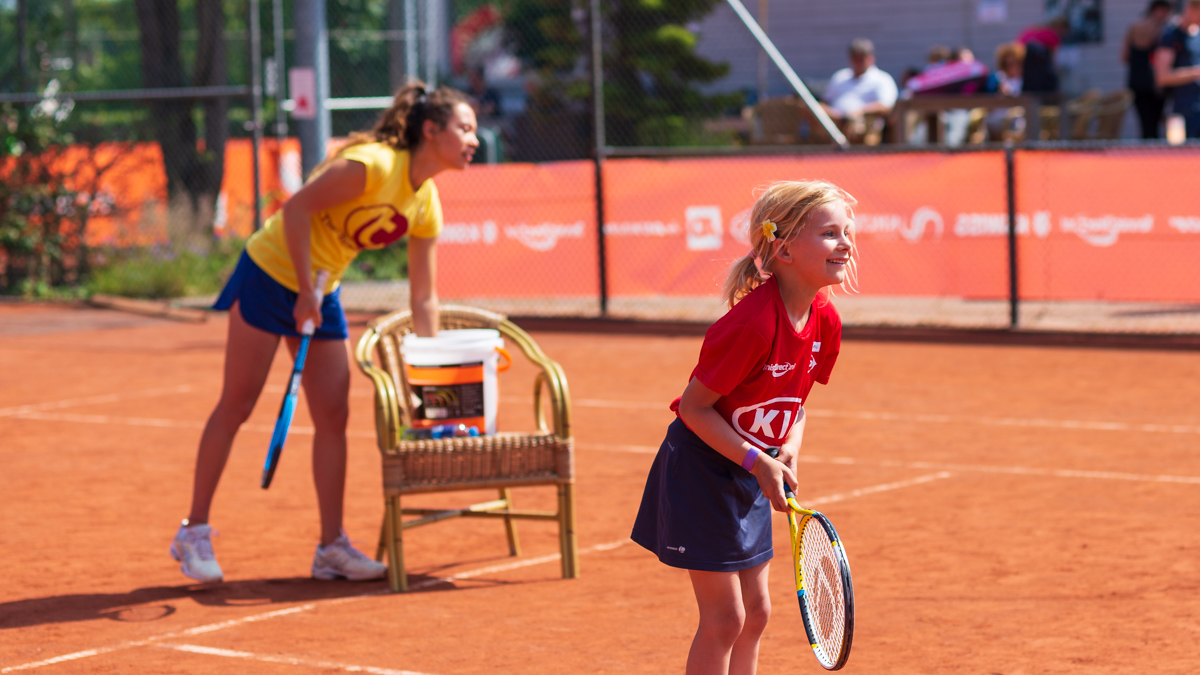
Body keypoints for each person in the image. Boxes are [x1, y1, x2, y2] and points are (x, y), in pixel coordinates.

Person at [169, 82, 480, 583]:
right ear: (431, 130)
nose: (475, 139)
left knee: (334, 411)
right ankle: (193, 531)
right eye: (465, 128)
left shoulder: (426, 203)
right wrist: (303, 294)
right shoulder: (372, 166)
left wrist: (432, 371)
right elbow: (296, 210)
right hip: (270, 274)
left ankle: (330, 547)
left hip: (321, 287)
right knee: (238, 404)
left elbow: (424, 297)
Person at [631, 180, 855, 675]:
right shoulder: (751, 326)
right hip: (702, 472)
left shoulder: (826, 321)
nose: (846, 243)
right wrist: (759, 461)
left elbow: (796, 403)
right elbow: (693, 409)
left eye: (847, 232)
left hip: (751, 469)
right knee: (725, 618)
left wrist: (788, 448)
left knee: (757, 613)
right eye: (830, 233)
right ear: (784, 248)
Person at [821, 38, 899, 124]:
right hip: (833, 122)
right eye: (855, 57)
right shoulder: (839, 76)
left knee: (855, 123)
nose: (858, 62)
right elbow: (826, 101)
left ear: (871, 58)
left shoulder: (883, 79)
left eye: (861, 58)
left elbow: (885, 106)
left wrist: (858, 112)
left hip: (862, 126)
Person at [1124, 0, 1173, 139]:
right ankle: (1153, 157)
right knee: (1154, 126)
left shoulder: (1134, 27)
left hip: (1135, 81)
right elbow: (1159, 60)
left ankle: (1145, 157)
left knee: (1145, 125)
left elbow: (1124, 56)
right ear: (1159, 10)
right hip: (1154, 83)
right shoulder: (1163, 30)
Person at [1156, 0, 1200, 139]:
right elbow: (1162, 77)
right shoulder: (1171, 35)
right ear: (1192, 9)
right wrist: (1196, 72)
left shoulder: (1196, 34)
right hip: (1181, 110)